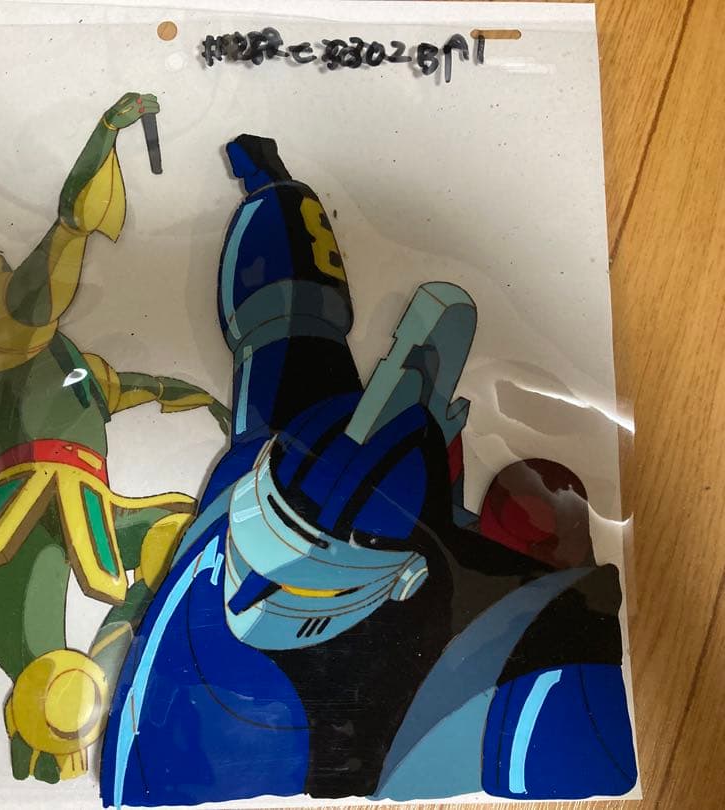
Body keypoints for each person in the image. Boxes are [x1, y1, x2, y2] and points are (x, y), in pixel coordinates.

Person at [100, 134, 637, 807]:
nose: (250, 595)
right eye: (257, 543)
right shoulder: (281, 461)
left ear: (405, 577)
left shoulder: (505, 654)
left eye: (308, 585)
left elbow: (592, 758)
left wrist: (564, 614)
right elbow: (288, 308)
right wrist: (269, 183)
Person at [0, 93, 229, 785]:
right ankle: (57, 721)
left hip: (80, 492)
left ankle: (130, 659)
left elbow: (121, 386)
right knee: (48, 681)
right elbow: (51, 269)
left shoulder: (35, 346)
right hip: (30, 501)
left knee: (178, 534)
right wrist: (101, 143)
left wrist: (203, 401)